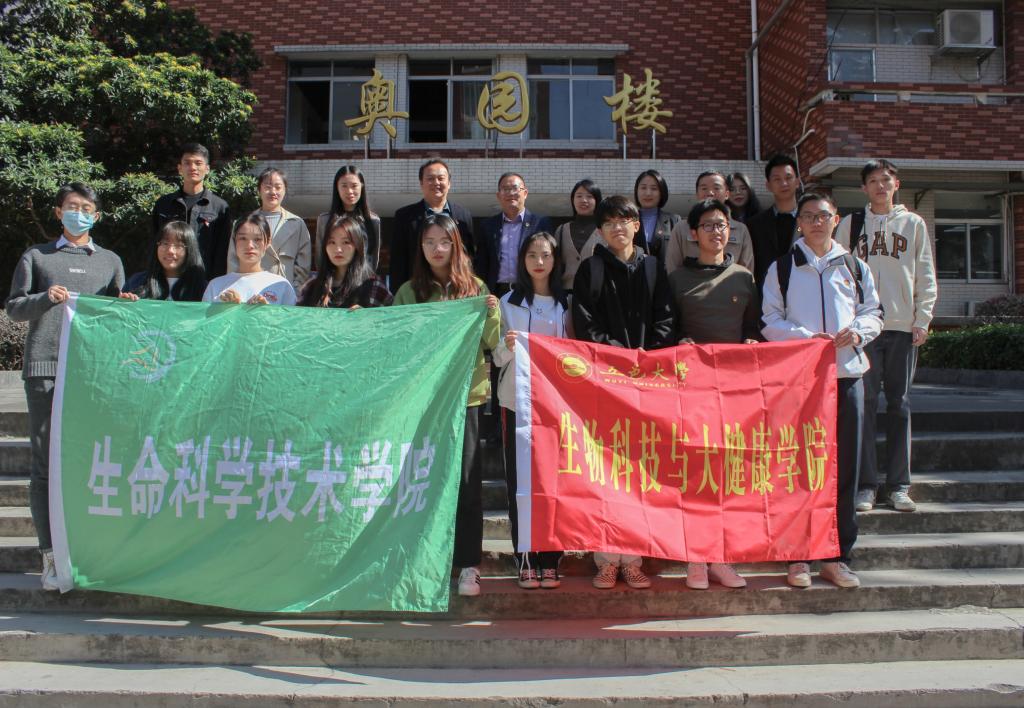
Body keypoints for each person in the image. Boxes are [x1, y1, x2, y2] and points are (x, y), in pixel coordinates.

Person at [6, 182, 130, 590]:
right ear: (59, 212)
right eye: (73, 207)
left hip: (90, 374)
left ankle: (84, 548)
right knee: (44, 465)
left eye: (87, 208)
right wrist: (45, 298)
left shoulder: (110, 261)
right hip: (45, 370)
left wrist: (126, 305)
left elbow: (115, 315)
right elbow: (14, 307)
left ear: (97, 216)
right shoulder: (37, 256)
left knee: (90, 462)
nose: (80, 213)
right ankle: (49, 553)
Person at [761, 192, 883, 589]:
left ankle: (837, 556)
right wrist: (804, 339)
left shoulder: (854, 266)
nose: (816, 222)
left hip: (847, 376)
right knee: (796, 468)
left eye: (823, 216)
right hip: (799, 381)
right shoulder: (782, 268)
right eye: (809, 216)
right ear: (798, 222)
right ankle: (796, 556)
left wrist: (858, 333)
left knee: (843, 469)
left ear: (836, 220)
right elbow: (769, 320)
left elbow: (874, 312)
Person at [392, 214, 500, 597]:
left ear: (456, 246)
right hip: (423, 401)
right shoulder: (409, 291)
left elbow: (492, 342)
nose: (436, 249)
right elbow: (398, 340)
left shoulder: (475, 289)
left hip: (466, 397)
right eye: (429, 242)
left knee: (467, 483)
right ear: (420, 248)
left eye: (444, 242)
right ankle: (424, 560)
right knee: (422, 481)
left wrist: (491, 312)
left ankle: (468, 564)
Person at [572, 195, 675, 590]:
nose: (618, 227)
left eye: (625, 220)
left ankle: (633, 559)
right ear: (600, 230)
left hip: (648, 384)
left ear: (637, 225)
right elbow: (585, 324)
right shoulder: (591, 269)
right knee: (604, 475)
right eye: (610, 222)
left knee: (641, 475)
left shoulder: (653, 267)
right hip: (605, 383)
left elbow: (666, 317)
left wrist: (649, 358)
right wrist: (617, 357)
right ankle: (605, 560)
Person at [836, 160, 938, 514]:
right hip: (862, 330)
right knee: (863, 405)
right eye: (873, 181)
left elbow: (925, 272)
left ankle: (898, 486)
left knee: (899, 404)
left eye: (886, 180)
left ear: (897, 184)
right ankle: (866, 485)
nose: (880, 186)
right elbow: (838, 277)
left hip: (901, 325)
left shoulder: (913, 224)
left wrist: (922, 318)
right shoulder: (851, 225)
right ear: (863, 188)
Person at [669, 199, 759, 590]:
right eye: (707, 225)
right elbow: (667, 330)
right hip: (689, 390)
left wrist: (753, 344)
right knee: (694, 474)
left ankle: (722, 558)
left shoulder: (744, 278)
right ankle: (695, 559)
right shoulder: (676, 279)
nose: (716, 231)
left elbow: (754, 329)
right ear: (693, 233)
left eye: (721, 225)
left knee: (726, 475)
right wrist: (680, 343)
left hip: (734, 392)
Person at [492, 232, 568, 590]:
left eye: (546, 254)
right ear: (522, 260)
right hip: (516, 402)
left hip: (556, 406)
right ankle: (524, 557)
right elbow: (495, 358)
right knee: (519, 482)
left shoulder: (565, 304)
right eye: (532, 255)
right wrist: (507, 347)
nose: (539, 261)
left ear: (556, 260)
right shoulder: (508, 302)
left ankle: (551, 559)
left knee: (553, 482)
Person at [390, 158, 474, 292]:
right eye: (430, 179)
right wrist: (399, 294)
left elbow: (469, 256)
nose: (436, 183)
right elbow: (398, 261)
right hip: (418, 290)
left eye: (441, 178)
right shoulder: (404, 217)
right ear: (421, 183)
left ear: (449, 183)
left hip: (456, 290)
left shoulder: (463, 215)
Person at [152, 143, 231, 278]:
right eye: (187, 163)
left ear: (207, 169)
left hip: (204, 280)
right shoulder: (163, 204)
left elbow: (222, 252)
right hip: (168, 277)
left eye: (198, 163)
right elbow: (154, 244)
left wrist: (215, 283)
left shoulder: (219, 207)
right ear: (180, 168)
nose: (193, 167)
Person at [227, 168, 310, 291]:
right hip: (251, 290)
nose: (273, 192)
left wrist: (295, 291)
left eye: (278, 187)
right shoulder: (243, 223)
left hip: (284, 290)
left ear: (285, 190)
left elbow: (303, 264)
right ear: (259, 190)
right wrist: (235, 289)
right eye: (267, 187)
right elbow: (233, 260)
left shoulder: (297, 223)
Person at [475, 172, 553, 296]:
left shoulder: (540, 223)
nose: (511, 193)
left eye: (515, 188)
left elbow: (549, 260)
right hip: (496, 293)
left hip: (530, 291)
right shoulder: (488, 226)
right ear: (498, 196)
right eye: (505, 189)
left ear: (525, 193)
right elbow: (482, 264)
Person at [665, 171, 754, 274]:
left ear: (727, 194)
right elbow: (673, 267)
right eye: (704, 188)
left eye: (716, 188)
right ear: (697, 194)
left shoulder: (741, 230)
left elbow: (746, 270)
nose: (710, 193)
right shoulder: (681, 228)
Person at [299, 215, 392, 309]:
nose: (338, 249)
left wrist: (366, 316)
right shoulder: (311, 288)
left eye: (346, 242)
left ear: (357, 246)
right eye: (332, 242)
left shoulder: (373, 286)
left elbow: (391, 316)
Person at [203, 214, 297, 306]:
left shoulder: (281, 285)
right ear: (234, 241)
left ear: (267, 242)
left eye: (257, 239)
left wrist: (267, 311)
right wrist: (223, 309)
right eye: (243, 238)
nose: (250, 246)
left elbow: (291, 316)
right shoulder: (215, 286)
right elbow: (203, 316)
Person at [748, 154, 801, 289]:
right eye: (777, 179)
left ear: (797, 181)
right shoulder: (754, 225)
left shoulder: (811, 220)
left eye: (788, 178)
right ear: (768, 185)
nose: (784, 184)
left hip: (804, 293)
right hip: (767, 294)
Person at [315, 165, 381, 270]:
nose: (349, 191)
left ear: (362, 186)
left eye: (354, 186)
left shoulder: (373, 221)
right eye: (344, 186)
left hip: (363, 278)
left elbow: (373, 258)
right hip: (333, 278)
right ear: (337, 188)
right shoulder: (324, 220)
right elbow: (320, 258)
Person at [125, 221, 207, 301]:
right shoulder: (137, 282)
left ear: (190, 250)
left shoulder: (203, 287)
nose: (170, 251)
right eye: (165, 243)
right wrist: (124, 301)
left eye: (178, 245)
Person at [554, 179, 602, 291]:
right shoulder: (561, 230)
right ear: (573, 200)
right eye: (579, 196)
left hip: (596, 294)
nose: (583, 200)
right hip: (567, 294)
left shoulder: (604, 229)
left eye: (589, 196)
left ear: (597, 200)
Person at [633, 169, 681, 266]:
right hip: (634, 274)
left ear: (661, 192)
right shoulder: (628, 220)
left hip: (665, 274)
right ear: (637, 191)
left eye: (654, 189)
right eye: (643, 188)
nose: (648, 193)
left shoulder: (674, 220)